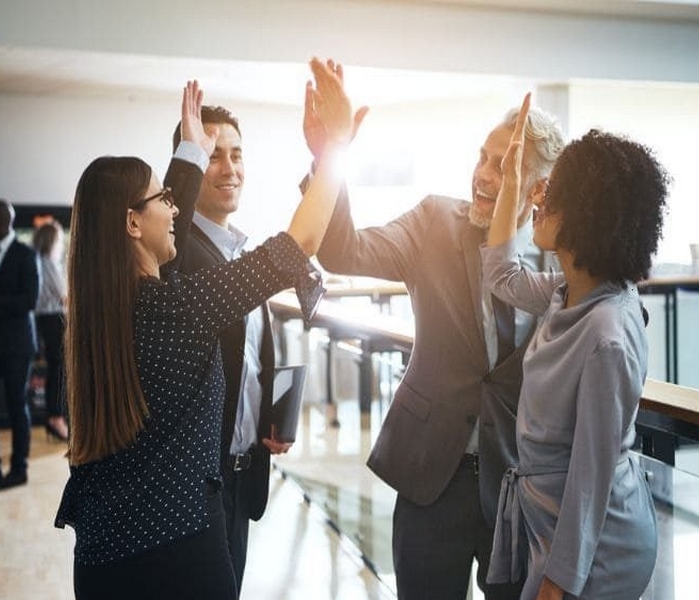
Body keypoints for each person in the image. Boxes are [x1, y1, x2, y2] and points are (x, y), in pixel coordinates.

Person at [54, 60, 354, 600]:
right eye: (162, 200)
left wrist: (190, 153)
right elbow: (300, 241)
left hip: (101, 561)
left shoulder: (98, 317)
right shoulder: (179, 308)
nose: (175, 209)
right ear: (131, 223)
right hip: (182, 552)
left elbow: (165, 241)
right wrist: (334, 148)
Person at [307, 67, 564, 599]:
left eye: (504, 164)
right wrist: (330, 157)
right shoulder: (432, 221)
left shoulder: (562, 258)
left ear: (538, 186)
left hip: (519, 486)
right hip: (431, 474)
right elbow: (341, 251)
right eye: (482, 158)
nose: (485, 174)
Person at [483, 94, 668, 599]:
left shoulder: (606, 334)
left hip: (599, 548)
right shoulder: (567, 292)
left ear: (587, 215)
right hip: (555, 526)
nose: (541, 201)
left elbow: (591, 478)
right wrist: (513, 183)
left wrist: (558, 583)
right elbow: (500, 272)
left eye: (555, 195)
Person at [166, 105, 291, 593]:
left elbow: (249, 361)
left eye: (237, 155)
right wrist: (186, 157)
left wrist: (267, 422)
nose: (229, 168)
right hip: (196, 484)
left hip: (241, 476)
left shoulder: (240, 251)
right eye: (213, 155)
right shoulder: (174, 255)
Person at [0, 198, 39, 490]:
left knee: (16, 404)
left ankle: (19, 468)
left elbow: (29, 300)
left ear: (4, 220)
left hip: (18, 344)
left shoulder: (25, 254)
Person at [32, 220, 69, 442]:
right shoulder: (48, 263)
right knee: (58, 370)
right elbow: (64, 296)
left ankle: (55, 419)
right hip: (55, 320)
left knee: (56, 369)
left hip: (47, 320)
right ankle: (56, 418)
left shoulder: (38, 261)